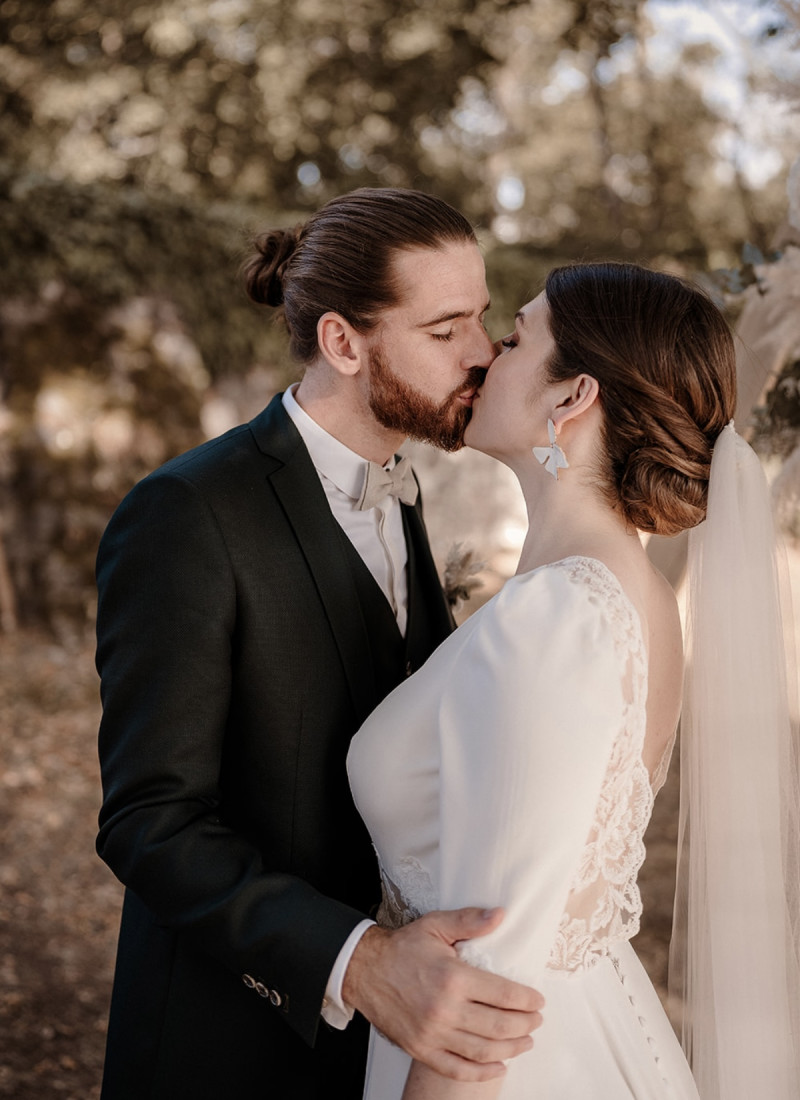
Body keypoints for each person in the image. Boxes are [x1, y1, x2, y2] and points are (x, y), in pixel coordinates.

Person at [94, 188, 544, 1100]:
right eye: (446, 326)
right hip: (230, 1053)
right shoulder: (186, 514)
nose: (482, 353)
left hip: (383, 1059)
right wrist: (360, 962)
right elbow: (151, 821)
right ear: (344, 343)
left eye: (484, 317)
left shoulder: (401, 490)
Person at [348, 261, 800, 1098]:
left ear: (571, 397)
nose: (483, 355)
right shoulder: (618, 591)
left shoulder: (565, 616)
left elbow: (491, 975)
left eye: (515, 338)